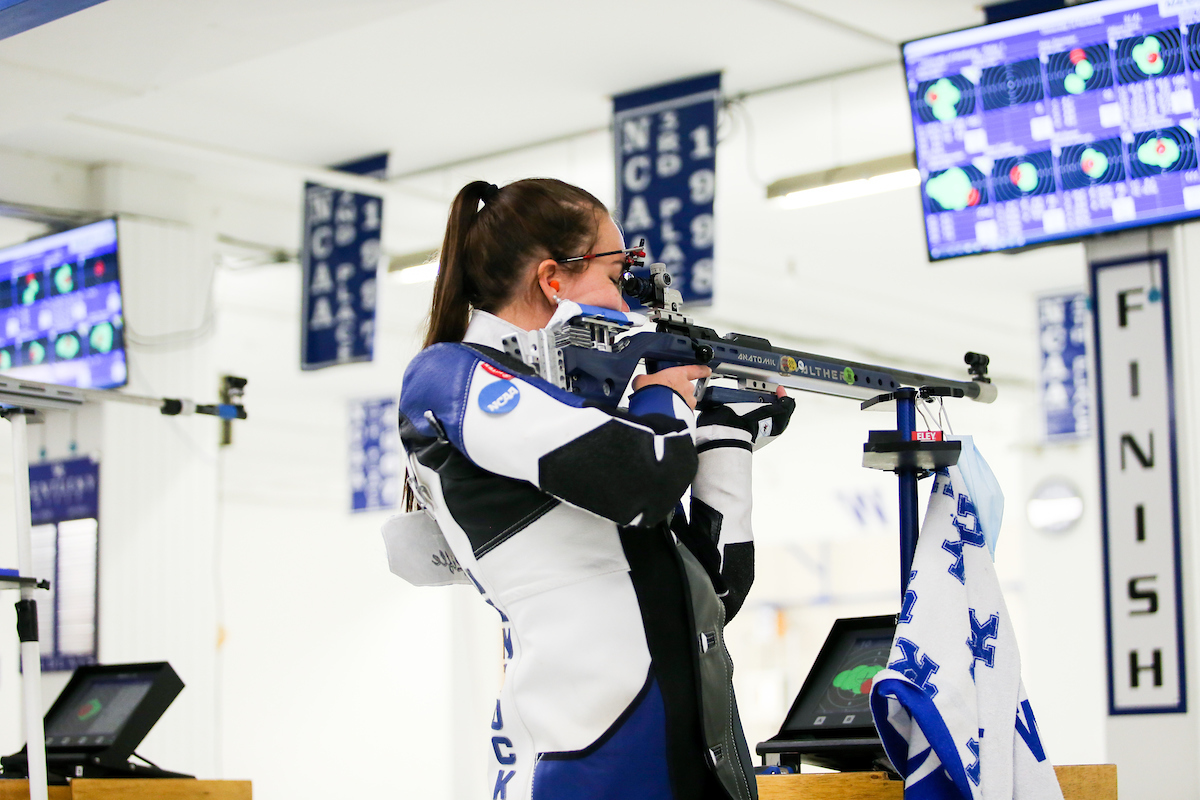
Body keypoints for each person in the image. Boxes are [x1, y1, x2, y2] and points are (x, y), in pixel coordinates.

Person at [391, 178, 793, 800]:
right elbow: (645, 478)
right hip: (585, 767)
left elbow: (709, 596)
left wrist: (724, 439)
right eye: (617, 273)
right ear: (553, 279)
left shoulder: (593, 421)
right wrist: (666, 396)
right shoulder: (448, 376)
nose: (628, 301)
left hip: (693, 765)